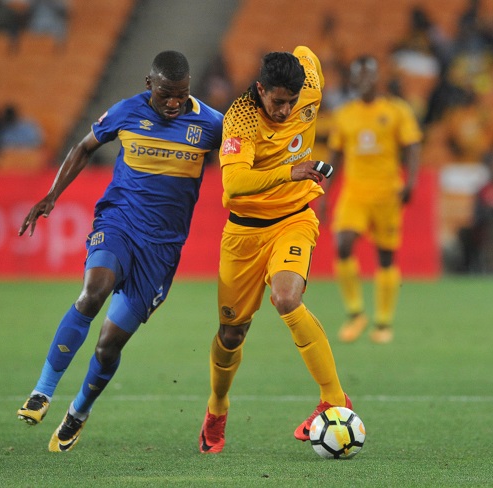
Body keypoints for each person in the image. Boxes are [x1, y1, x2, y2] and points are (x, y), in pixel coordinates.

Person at [16, 51, 223, 452]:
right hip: (119, 224)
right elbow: (83, 147)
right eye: (166, 94)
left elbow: (243, 159)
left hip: (161, 250)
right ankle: (43, 390)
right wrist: (52, 195)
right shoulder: (126, 112)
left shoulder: (210, 124)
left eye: (181, 94)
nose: (174, 103)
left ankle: (78, 411)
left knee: (108, 346)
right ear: (150, 85)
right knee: (93, 292)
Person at [198, 46, 352, 454]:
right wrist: (292, 170)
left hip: (295, 218)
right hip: (245, 234)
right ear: (260, 89)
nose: (285, 111)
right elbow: (234, 186)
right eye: (277, 102)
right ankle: (217, 408)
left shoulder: (310, 86)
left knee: (286, 298)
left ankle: (334, 399)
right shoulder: (241, 118)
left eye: (291, 102)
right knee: (232, 333)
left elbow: (307, 53)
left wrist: (298, 181)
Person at [321, 55, 422, 345]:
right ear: (353, 80)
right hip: (355, 193)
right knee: (342, 244)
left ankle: (383, 322)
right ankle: (355, 314)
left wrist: (411, 181)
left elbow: (413, 146)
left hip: (387, 194)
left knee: (386, 256)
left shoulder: (396, 110)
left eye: (369, 75)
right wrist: (326, 194)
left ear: (377, 78)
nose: (364, 81)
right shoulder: (344, 115)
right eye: (359, 75)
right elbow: (336, 157)